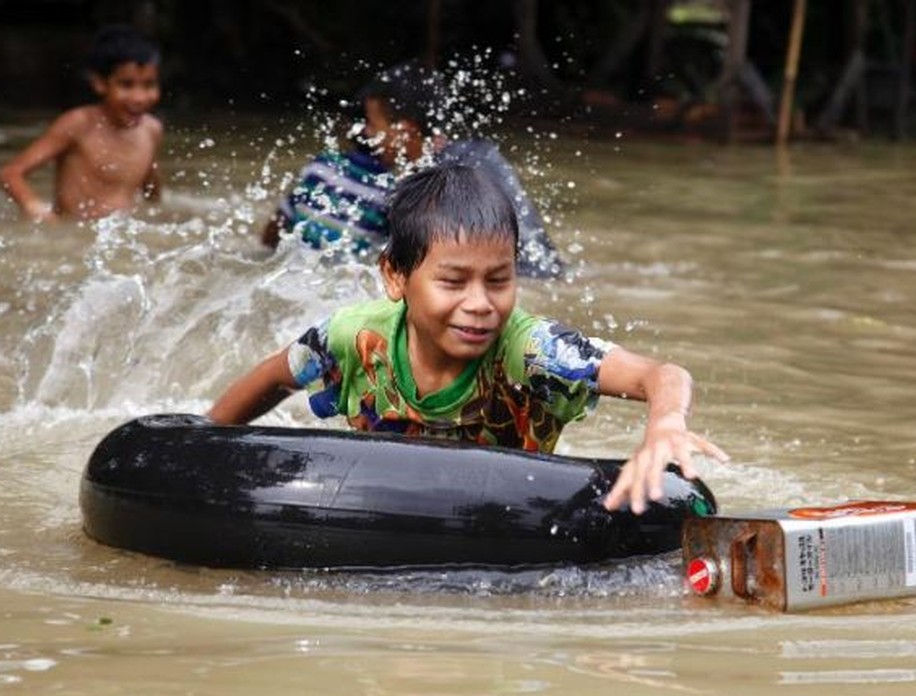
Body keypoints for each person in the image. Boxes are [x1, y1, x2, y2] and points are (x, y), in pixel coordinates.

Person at [212, 162, 726, 513]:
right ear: (395, 276)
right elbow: (273, 378)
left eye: (498, 280)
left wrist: (665, 424)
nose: (480, 304)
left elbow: (661, 374)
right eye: (453, 282)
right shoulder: (351, 338)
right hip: (385, 508)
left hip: (506, 515)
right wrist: (201, 440)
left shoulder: (532, 351)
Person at [264, 62, 566, 279]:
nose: (366, 133)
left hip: (523, 282)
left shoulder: (437, 180)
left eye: (373, 123)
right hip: (536, 276)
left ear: (405, 130)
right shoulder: (479, 156)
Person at [0, 25, 163, 222]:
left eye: (149, 85)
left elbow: (151, 186)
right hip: (75, 233)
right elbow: (10, 174)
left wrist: (159, 218)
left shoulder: (151, 129)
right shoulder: (79, 124)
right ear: (99, 83)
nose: (140, 97)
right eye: (126, 85)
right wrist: (36, 209)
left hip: (121, 236)